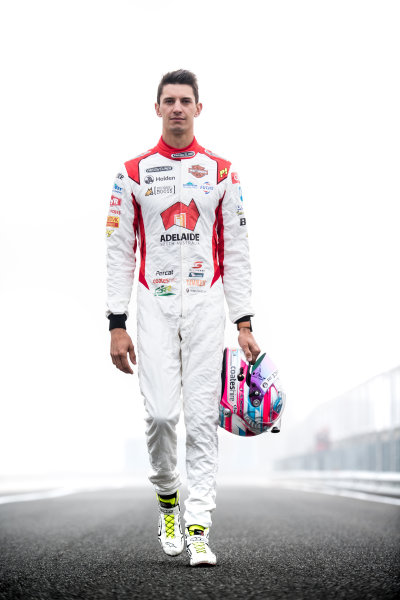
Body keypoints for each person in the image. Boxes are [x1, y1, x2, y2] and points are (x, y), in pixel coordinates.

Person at [106, 69, 260, 566]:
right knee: (160, 416)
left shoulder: (222, 172)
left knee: (201, 420)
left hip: (205, 306)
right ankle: (168, 501)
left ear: (199, 108)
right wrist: (116, 323)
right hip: (152, 306)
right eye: (168, 100)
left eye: (185, 101)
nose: (177, 108)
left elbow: (236, 250)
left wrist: (243, 322)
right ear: (157, 108)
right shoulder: (131, 172)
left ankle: (199, 528)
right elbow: (118, 252)